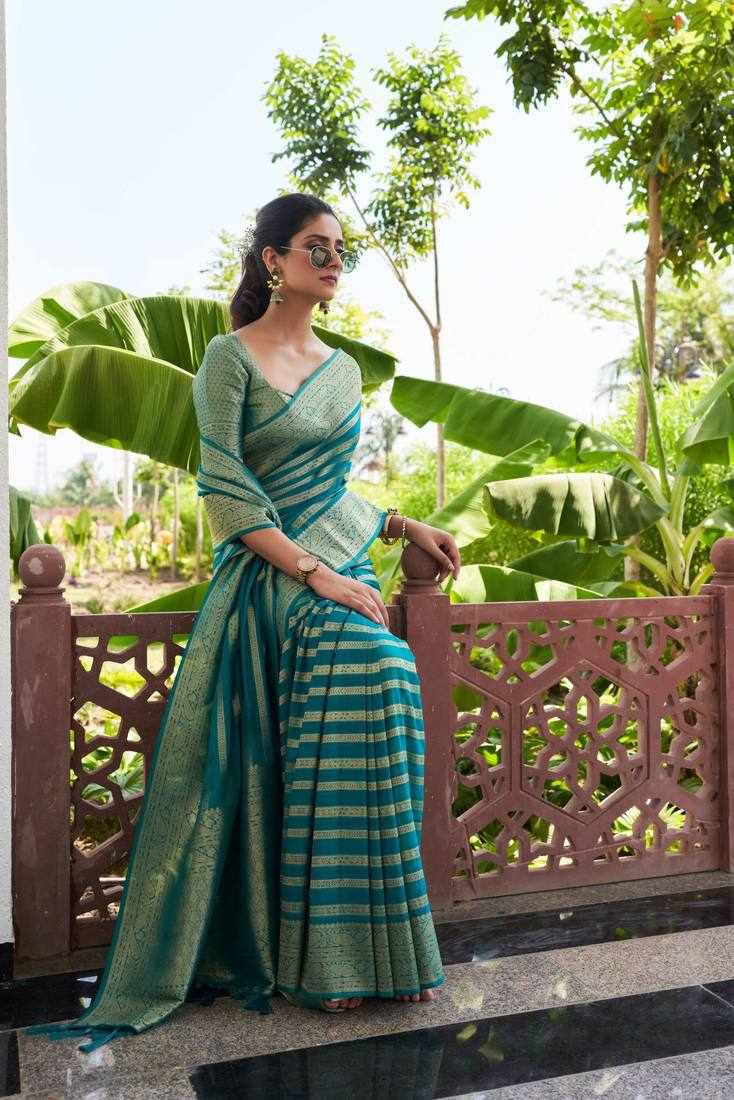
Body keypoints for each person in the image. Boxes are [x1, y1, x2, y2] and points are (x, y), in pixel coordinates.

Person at [26, 191, 460, 1052]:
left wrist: (402, 524)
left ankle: (387, 953)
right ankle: (322, 960)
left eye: (340, 250)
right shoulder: (228, 358)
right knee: (371, 664)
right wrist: (315, 575)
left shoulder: (343, 370)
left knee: (389, 682)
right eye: (315, 247)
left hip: (338, 565)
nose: (333, 262)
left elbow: (332, 490)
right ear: (273, 259)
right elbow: (226, 493)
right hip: (269, 579)